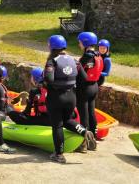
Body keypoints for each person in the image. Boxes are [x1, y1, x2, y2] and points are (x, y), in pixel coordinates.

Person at [44, 35, 96, 163]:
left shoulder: (52, 61)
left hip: (56, 97)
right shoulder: (74, 60)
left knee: (57, 126)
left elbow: (49, 80)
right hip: (71, 97)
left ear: (51, 47)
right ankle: (84, 131)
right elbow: (84, 78)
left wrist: (48, 84)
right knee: (67, 120)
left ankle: (59, 154)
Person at [76, 32, 103, 147]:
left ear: (85, 42)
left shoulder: (87, 56)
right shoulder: (97, 54)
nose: (79, 44)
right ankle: (94, 139)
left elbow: (78, 70)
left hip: (85, 88)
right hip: (94, 87)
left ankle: (84, 141)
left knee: (84, 115)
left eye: (80, 42)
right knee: (91, 113)